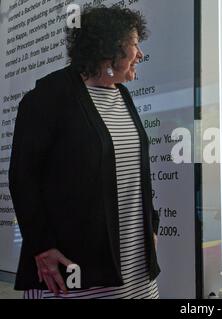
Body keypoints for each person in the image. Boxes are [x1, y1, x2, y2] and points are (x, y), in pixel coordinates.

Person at [9, 5, 160, 299]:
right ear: (109, 48)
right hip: (75, 273)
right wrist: (41, 245)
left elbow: (135, 171)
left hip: (136, 269)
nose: (140, 54)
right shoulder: (47, 98)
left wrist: (150, 224)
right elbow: (23, 178)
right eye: (134, 45)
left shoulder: (122, 95)